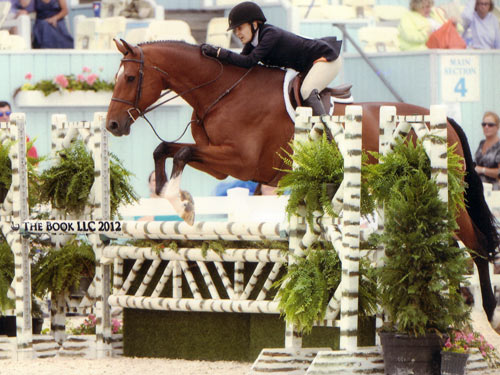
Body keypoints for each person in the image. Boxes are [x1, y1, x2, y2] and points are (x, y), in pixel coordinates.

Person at [200, 1, 342, 117]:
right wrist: (215, 58)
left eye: (240, 28)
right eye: (235, 30)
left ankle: (328, 135)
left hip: (325, 58)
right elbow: (241, 64)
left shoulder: (270, 35)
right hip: (309, 65)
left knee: (306, 90)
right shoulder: (252, 43)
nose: (237, 33)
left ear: (254, 24)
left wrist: (219, 52)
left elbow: (249, 61)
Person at [474, 111, 500, 190]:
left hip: (494, 189)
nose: (486, 127)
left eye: (490, 125)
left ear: (497, 127)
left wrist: (482, 170)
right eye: (484, 124)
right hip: (479, 188)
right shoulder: (481, 143)